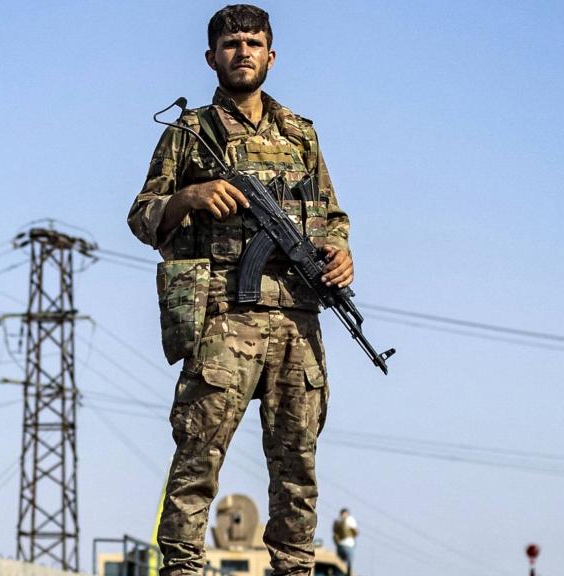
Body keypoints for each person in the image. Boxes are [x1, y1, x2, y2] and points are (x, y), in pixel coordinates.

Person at [126, 5, 353, 576]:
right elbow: (141, 216)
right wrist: (189, 198)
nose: (243, 52)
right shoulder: (190, 133)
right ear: (212, 57)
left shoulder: (302, 133)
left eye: (254, 43)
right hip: (224, 319)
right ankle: (181, 566)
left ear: (271, 56)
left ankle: (295, 568)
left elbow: (330, 216)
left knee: (297, 465)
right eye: (231, 44)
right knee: (198, 454)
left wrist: (339, 253)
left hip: (298, 320)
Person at [331, 508, 358, 575]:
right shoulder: (350, 519)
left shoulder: (337, 521)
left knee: (339, 565)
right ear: (347, 513)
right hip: (348, 545)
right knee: (349, 565)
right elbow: (356, 532)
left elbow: (334, 534)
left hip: (340, 546)